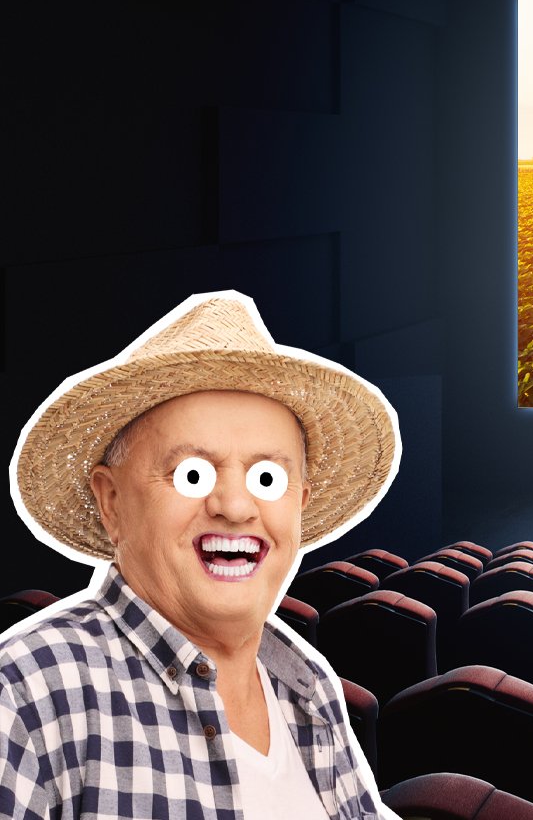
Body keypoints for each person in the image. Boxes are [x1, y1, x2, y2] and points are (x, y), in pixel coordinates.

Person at [0, 291, 402, 819]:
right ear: (111, 501)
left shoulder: (308, 685)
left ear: (299, 506)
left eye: (267, 477)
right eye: (192, 475)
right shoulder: (25, 699)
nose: (235, 506)